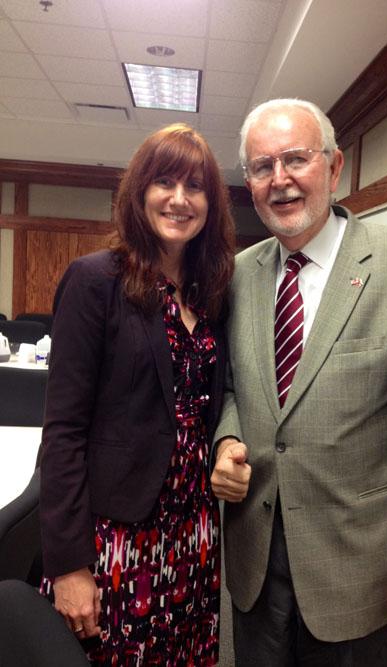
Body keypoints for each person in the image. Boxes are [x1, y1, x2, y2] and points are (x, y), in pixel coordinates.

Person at [211, 99, 387, 666]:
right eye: (262, 166)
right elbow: (229, 387)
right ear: (249, 183)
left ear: (333, 167)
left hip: (358, 570)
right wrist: (227, 441)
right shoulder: (239, 275)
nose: (280, 179)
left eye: (296, 159)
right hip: (255, 561)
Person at [39, 123, 235, 666]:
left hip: (193, 532)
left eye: (195, 187)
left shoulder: (212, 291)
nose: (179, 199)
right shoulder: (95, 281)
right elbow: (63, 430)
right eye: (164, 182)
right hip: (116, 539)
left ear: (211, 204)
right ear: (139, 191)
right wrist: (69, 566)